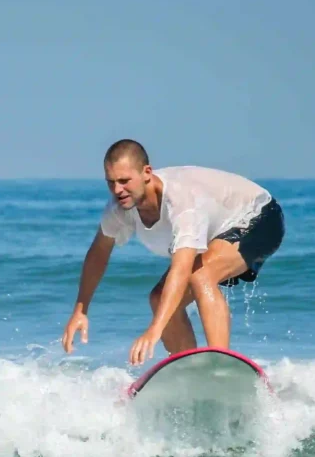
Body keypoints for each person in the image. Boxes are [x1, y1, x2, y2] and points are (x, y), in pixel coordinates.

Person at [61, 139, 285, 366]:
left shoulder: (181, 203)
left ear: (146, 172)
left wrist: (154, 330)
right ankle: (191, 372)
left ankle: (220, 366)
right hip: (218, 230)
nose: (118, 190)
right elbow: (98, 252)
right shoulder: (119, 209)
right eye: (111, 183)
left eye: (124, 181)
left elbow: (182, 269)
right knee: (159, 299)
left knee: (201, 276)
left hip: (259, 216)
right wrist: (81, 310)